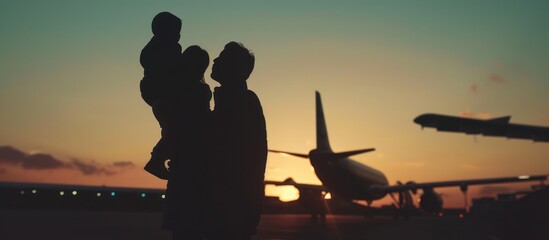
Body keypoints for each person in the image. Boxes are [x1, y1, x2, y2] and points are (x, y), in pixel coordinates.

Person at [207, 42, 268, 240]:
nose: (215, 60)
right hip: (231, 207)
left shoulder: (241, 103)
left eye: (222, 58)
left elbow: (244, 159)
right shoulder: (231, 100)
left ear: (234, 69)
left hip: (231, 208)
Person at [165, 45, 212, 240]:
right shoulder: (199, 91)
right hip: (194, 159)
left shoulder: (176, 90)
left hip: (185, 158)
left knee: (184, 223)